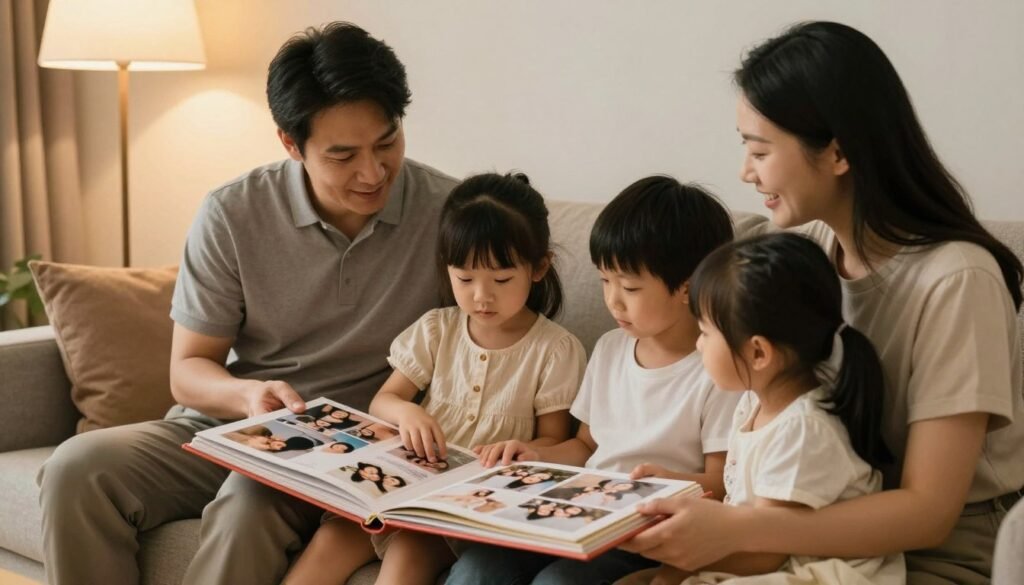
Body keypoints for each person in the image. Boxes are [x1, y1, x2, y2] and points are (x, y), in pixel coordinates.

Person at [36, 22, 459, 585]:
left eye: (387, 142)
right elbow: (188, 372)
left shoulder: (451, 215)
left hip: (362, 452)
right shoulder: (233, 214)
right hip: (236, 426)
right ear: (290, 143)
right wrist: (249, 395)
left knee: (247, 503)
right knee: (75, 468)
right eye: (342, 155)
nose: (373, 171)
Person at [620, 21, 1024, 585]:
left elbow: (930, 514)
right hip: (804, 529)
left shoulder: (956, 281)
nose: (745, 171)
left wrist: (737, 530)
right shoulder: (804, 253)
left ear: (837, 152)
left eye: (759, 150)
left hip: (932, 558)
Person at [282, 172, 588, 585]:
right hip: (397, 484)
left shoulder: (555, 350)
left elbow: (555, 440)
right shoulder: (436, 329)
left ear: (538, 268)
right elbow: (384, 401)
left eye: (500, 280)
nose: (481, 295)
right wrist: (407, 413)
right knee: (331, 539)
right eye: (464, 278)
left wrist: (525, 449)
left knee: (409, 550)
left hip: (462, 505)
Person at [446, 176, 742, 585]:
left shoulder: (719, 370)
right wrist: (535, 455)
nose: (612, 300)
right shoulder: (610, 347)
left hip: (645, 533)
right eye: (605, 281)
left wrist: (670, 485)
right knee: (477, 568)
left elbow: (724, 482)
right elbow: (586, 446)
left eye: (630, 287)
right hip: (575, 515)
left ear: (689, 287)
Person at [632, 233, 905, 585]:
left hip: (810, 570)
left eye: (705, 333)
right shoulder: (752, 402)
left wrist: (677, 570)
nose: (698, 346)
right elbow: (745, 507)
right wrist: (675, 484)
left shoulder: (802, 429)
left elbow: (766, 551)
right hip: (763, 555)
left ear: (758, 353)